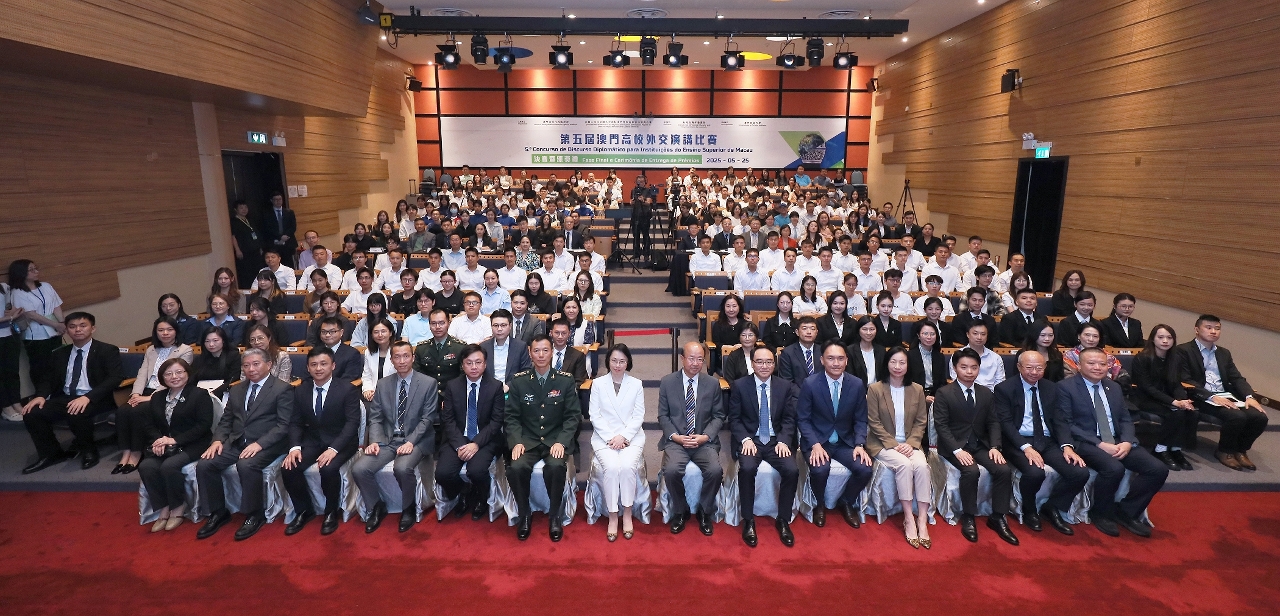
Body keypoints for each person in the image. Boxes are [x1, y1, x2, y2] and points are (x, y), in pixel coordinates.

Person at [1058, 347, 1168, 538]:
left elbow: (1125, 418)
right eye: (1091, 363)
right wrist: (1100, 444)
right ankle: (1101, 513)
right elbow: (1067, 424)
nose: (1097, 367)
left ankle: (1127, 512)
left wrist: (1127, 441)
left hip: (1117, 440)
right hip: (1086, 442)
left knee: (1157, 469)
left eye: (1102, 364)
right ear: (1079, 365)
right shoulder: (1065, 387)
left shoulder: (1113, 387)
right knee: (1114, 468)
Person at [195, 348, 293, 541]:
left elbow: (284, 425)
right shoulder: (237, 389)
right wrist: (217, 440)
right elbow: (226, 420)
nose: (251, 369)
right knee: (205, 464)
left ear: (269, 365)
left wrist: (260, 444)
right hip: (237, 441)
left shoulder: (282, 389)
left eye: (256, 364)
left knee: (246, 464)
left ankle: (255, 514)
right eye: (246, 365)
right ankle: (218, 512)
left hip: (268, 444)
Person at [993, 351, 1090, 537]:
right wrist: (1026, 448)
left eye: (1039, 368)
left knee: (1079, 472)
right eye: (1029, 367)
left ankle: (1052, 507)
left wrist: (1066, 446)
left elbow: (1060, 420)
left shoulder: (1051, 388)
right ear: (1019, 367)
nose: (1034, 372)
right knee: (1035, 472)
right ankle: (1029, 510)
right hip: (1018, 441)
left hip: (1047, 440)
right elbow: (1005, 424)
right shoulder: (1004, 389)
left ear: (1045, 367)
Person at [933, 348, 1018, 545]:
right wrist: (957, 450)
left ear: (979, 369)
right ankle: (969, 516)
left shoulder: (986, 393)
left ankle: (998, 516)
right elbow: (941, 426)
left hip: (980, 444)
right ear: (955, 369)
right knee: (971, 471)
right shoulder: (944, 393)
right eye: (964, 367)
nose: (969, 372)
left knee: (1003, 470)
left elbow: (993, 422)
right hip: (955, 446)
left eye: (974, 367)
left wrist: (995, 446)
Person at [20, 312, 123, 473]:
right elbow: (48, 379)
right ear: (67, 330)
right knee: (32, 412)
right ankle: (51, 454)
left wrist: (87, 397)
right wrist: (40, 396)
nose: (78, 330)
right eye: (72, 327)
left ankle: (89, 451)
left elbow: (115, 378)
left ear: (93, 328)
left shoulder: (107, 350)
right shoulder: (59, 353)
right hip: (67, 397)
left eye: (83, 326)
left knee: (76, 411)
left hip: (97, 397)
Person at [353, 340, 439, 534]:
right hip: (388, 439)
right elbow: (375, 417)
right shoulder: (383, 384)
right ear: (391, 360)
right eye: (397, 357)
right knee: (359, 469)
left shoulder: (428, 383)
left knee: (402, 468)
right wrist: (375, 441)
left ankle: (408, 508)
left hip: (416, 439)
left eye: (406, 356)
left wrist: (410, 442)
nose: (402, 361)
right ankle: (376, 506)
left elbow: (427, 419)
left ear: (413, 358)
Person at [505, 334, 583, 542]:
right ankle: (524, 514)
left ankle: (555, 515)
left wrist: (562, 441)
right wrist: (516, 441)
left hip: (554, 439)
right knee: (516, 467)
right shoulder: (519, 381)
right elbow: (511, 416)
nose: (541, 355)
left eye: (545, 350)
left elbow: (573, 416)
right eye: (536, 350)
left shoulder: (565, 380)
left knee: (555, 466)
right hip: (528, 440)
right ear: (530, 353)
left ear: (552, 353)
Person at [280, 347, 361, 536]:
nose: (318, 368)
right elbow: (295, 422)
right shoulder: (301, 390)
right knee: (289, 467)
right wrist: (294, 447)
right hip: (313, 440)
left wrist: (334, 448)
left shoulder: (347, 389)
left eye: (323, 364)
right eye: (314, 364)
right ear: (307, 368)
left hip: (342, 441)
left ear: (333, 365)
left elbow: (352, 424)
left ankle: (331, 512)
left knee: (328, 468)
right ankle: (304, 511)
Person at [1172, 314, 1268, 472]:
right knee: (1236, 416)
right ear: (1197, 329)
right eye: (1208, 327)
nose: (1213, 331)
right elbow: (1185, 379)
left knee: (1259, 417)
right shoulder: (1183, 350)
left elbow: (1236, 377)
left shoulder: (1224, 353)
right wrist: (1211, 396)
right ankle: (1225, 451)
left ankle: (1240, 450)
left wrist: (1249, 397)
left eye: (1217, 328)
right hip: (1200, 396)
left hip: (1225, 395)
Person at [728, 346, 800, 548]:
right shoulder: (740, 385)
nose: (764, 366)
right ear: (752, 364)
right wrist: (745, 439)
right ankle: (748, 520)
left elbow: (789, 419)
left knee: (792, 470)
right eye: (759, 362)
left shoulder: (784, 386)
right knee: (747, 468)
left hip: (776, 440)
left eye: (769, 362)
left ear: (774, 364)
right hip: (752, 439)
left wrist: (784, 440)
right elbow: (734, 419)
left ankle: (783, 519)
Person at [797, 341, 874, 530]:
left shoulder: (856, 384)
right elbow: (803, 419)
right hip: (818, 441)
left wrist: (859, 444)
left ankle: (847, 502)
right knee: (820, 469)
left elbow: (861, 419)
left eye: (840, 358)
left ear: (847, 360)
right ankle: (819, 504)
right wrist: (815, 444)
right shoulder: (810, 384)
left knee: (865, 469)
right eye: (831, 358)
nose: (836, 363)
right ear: (822, 360)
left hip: (845, 442)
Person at [136, 357, 214, 532]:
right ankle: (164, 507)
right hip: (165, 445)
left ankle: (178, 507)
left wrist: (175, 440)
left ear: (187, 373)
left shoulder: (199, 395)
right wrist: (158, 440)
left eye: (179, 372)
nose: (174, 377)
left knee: (169, 466)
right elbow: (148, 425)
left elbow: (203, 426)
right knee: (147, 466)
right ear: (162, 377)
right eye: (168, 374)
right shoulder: (157, 397)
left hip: (194, 443)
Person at [866, 346, 933, 547]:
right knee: (904, 465)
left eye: (902, 362)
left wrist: (911, 443)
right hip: (883, 443)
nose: (897, 366)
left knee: (922, 466)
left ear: (908, 365)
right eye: (893, 362)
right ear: (886, 364)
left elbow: (921, 421)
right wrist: (894, 444)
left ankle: (922, 519)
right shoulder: (875, 389)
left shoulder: (917, 389)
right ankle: (909, 518)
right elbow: (874, 422)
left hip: (911, 443)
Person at [658, 342, 727, 536]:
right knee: (671, 471)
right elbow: (663, 416)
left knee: (715, 471)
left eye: (700, 359)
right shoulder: (667, 382)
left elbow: (719, 416)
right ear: (682, 359)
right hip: (677, 440)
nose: (695, 363)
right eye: (691, 358)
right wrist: (676, 437)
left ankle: (705, 511)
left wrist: (705, 436)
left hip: (703, 440)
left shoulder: (712, 384)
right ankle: (681, 511)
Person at [436, 344, 505, 521]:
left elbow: (496, 422)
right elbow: (448, 419)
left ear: (485, 364)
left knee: (476, 471)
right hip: (457, 438)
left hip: (485, 439)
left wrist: (476, 444)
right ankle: (463, 491)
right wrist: (460, 444)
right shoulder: (452, 386)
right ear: (462, 365)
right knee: (443, 474)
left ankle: (482, 498)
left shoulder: (495, 386)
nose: (474, 367)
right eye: (469, 363)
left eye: (478, 362)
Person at [120, 317, 194, 474]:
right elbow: (142, 373)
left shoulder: (184, 350)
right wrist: (135, 394)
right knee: (123, 410)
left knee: (138, 411)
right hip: (145, 391)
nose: (165, 333)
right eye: (161, 330)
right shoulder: (151, 349)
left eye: (169, 329)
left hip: (167, 391)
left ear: (176, 331)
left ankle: (136, 454)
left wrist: (150, 397)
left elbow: (175, 379)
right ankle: (125, 453)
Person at [590, 344, 647, 541]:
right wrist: (610, 438)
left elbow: (638, 416)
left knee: (627, 467)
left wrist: (624, 437)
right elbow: (594, 415)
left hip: (631, 437)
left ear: (628, 362)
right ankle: (613, 516)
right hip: (604, 437)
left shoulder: (636, 384)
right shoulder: (598, 384)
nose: (617, 365)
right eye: (614, 360)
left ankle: (628, 513)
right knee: (613, 468)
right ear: (608, 361)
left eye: (622, 361)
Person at [1133, 324, 1197, 472]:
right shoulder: (1142, 358)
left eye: (1169, 337)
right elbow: (1147, 387)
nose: (1165, 341)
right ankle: (1160, 449)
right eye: (1161, 337)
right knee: (1175, 413)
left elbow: (1176, 384)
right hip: (1145, 398)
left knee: (1191, 412)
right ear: (1152, 339)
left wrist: (1183, 400)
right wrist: (1174, 402)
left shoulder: (1175, 358)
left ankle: (1175, 449)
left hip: (1167, 398)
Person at [413, 309, 465, 392]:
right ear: (429, 325)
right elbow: (417, 375)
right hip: (428, 394)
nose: (437, 327)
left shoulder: (460, 348)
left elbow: (463, 376)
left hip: (452, 394)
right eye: (433, 323)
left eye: (441, 323)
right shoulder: (421, 348)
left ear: (449, 323)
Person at [1062, 324, 1128, 388]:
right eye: (1087, 335)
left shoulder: (1108, 356)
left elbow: (1123, 375)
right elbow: (1069, 380)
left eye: (1095, 336)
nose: (1091, 339)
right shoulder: (1069, 356)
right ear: (1079, 336)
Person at [950, 322, 1006, 389]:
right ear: (968, 334)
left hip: (991, 393)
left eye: (983, 334)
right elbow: (955, 380)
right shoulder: (958, 355)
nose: (979, 337)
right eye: (975, 333)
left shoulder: (996, 358)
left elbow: (1000, 383)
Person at [480, 310, 530, 384]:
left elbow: (526, 371)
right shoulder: (483, 347)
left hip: (513, 388)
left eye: (503, 325)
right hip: (488, 388)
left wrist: (509, 386)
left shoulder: (520, 346)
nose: (499, 329)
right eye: (495, 325)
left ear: (510, 326)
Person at [191, 326, 241, 398]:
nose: (211, 344)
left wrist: (214, 393)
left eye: (215, 340)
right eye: (207, 341)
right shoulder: (198, 359)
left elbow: (233, 379)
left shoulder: (233, 356)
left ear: (223, 340)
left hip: (225, 393)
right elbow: (193, 379)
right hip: (201, 394)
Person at [906, 321, 949, 401]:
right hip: (915, 395)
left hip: (936, 396)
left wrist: (938, 396)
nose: (929, 337)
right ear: (918, 335)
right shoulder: (909, 356)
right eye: (925, 334)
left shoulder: (939, 356)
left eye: (932, 334)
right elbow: (907, 381)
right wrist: (924, 396)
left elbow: (942, 382)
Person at [230, 200, 265, 286]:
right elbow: (233, 236)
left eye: (245, 207)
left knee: (257, 271)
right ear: (235, 209)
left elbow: (256, 234)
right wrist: (237, 250)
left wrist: (260, 247)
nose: (244, 210)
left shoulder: (249, 220)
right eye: (241, 208)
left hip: (255, 250)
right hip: (244, 252)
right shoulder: (234, 221)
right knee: (247, 273)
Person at [777, 316, 821, 386]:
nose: (809, 332)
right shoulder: (787, 353)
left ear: (817, 332)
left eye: (812, 329)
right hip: (796, 392)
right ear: (797, 332)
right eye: (804, 328)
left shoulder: (823, 351)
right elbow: (787, 381)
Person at [360, 320, 396, 401]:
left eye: (383, 331)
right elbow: (366, 376)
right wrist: (367, 390)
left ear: (390, 333)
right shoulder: (368, 352)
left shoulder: (398, 351)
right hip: (374, 394)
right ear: (372, 335)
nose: (380, 335)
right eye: (376, 332)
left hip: (393, 395)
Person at [262, 194, 299, 269]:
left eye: (280, 199)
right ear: (271, 200)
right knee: (275, 265)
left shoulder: (289, 212)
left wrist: (286, 236)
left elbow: (293, 227)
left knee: (289, 266)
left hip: (288, 243)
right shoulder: (266, 213)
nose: (278, 201)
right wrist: (280, 237)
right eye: (276, 199)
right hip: (274, 244)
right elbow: (267, 228)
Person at [548, 318, 589, 385]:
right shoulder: (544, 354)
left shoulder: (577, 356)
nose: (560, 337)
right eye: (557, 333)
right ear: (551, 333)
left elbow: (578, 381)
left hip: (568, 391)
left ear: (569, 334)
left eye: (564, 333)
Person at [846, 316, 884, 385]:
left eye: (872, 329)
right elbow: (849, 375)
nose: (868, 333)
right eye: (864, 329)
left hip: (877, 389)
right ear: (858, 330)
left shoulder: (881, 350)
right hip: (857, 388)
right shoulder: (850, 351)